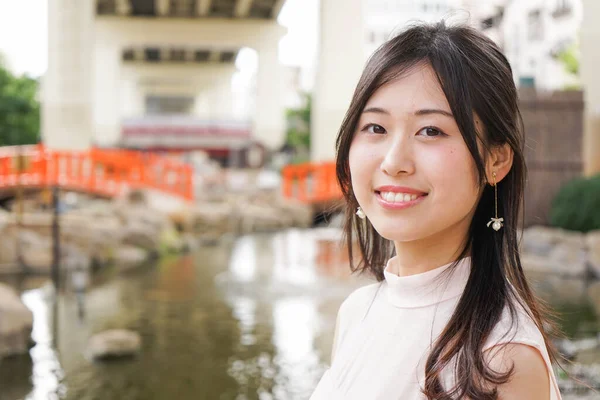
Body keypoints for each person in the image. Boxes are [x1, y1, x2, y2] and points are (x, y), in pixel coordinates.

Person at [309, 21, 563, 400]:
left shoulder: (502, 358)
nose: (394, 161)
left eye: (431, 131)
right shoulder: (358, 311)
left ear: (496, 159)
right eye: (376, 127)